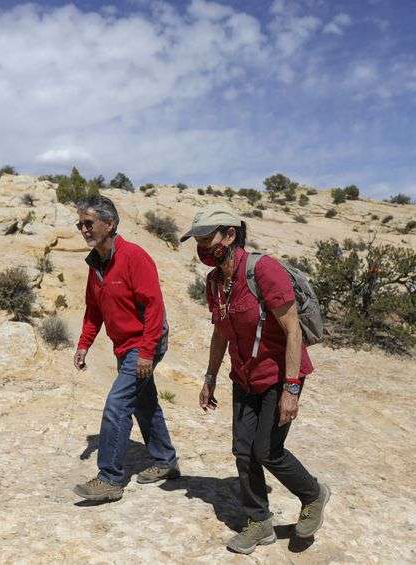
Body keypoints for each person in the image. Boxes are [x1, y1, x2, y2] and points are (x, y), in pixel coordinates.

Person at [181, 203, 330, 554]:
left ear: (230, 235)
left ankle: (312, 494)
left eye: (206, 238)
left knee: (267, 450)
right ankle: (258, 522)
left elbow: (293, 331)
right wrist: (210, 377)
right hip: (244, 376)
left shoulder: (264, 270)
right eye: (197, 241)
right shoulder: (215, 282)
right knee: (243, 452)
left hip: (279, 374)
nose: (201, 247)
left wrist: (292, 390)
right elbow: (220, 333)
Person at [72, 195, 179, 502]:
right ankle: (165, 461)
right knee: (145, 404)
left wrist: (146, 352)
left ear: (111, 223)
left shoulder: (134, 256)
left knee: (117, 405)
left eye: (89, 223)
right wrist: (83, 345)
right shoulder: (96, 266)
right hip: (124, 346)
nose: (84, 229)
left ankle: (110, 479)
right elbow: (93, 311)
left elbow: (154, 307)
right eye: (80, 224)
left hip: (146, 341)